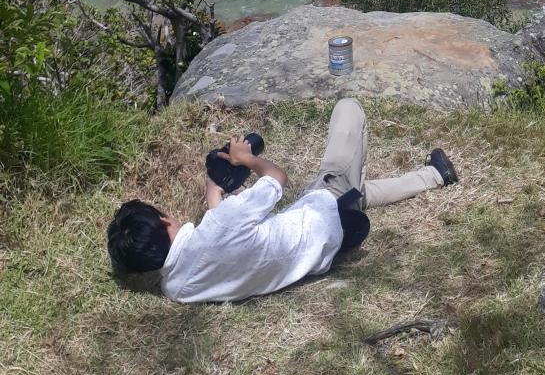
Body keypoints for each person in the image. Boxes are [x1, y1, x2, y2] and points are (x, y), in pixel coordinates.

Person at [106, 98, 459, 304]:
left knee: (359, 194)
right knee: (348, 109)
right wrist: (248, 161)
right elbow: (277, 179)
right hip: (323, 216)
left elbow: (214, 243)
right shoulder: (222, 223)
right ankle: (378, 182)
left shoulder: (175, 288)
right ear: (165, 221)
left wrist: (214, 189)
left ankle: (435, 176)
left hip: (319, 255)